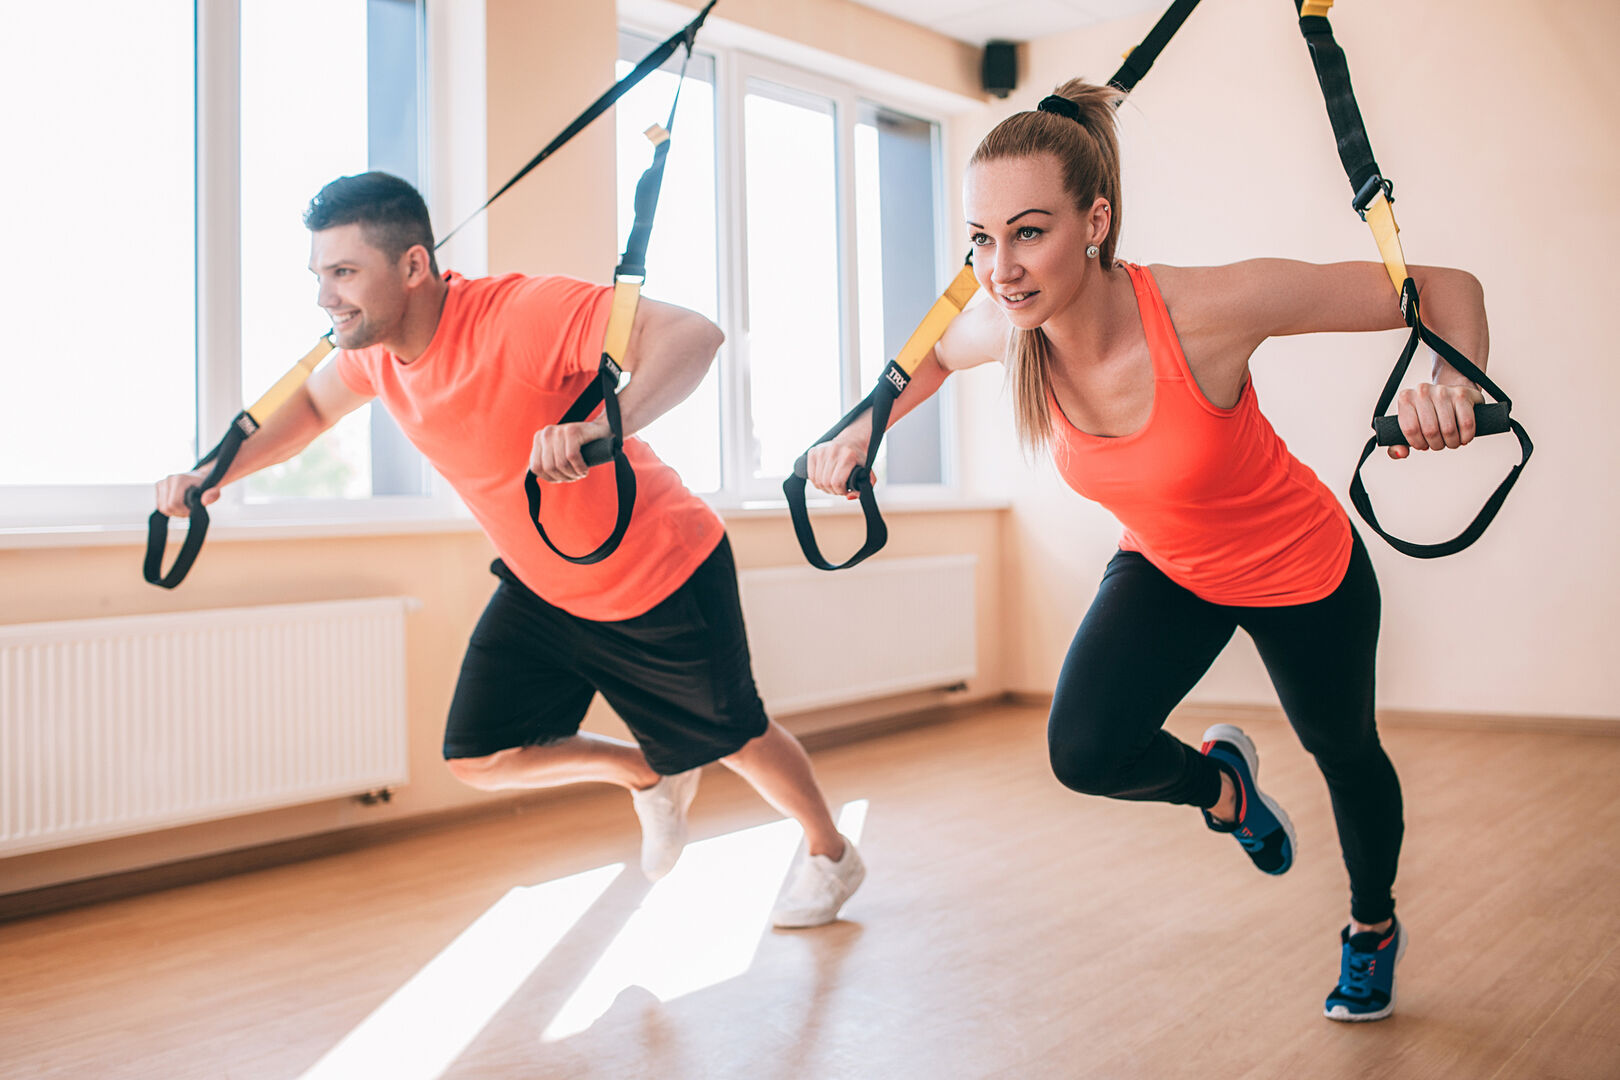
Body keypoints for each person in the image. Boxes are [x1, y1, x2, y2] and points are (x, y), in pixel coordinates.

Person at [806, 80, 1493, 1019]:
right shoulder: (1014, 337)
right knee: (1084, 750)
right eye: (981, 238)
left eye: (1029, 232)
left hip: (1301, 566)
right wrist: (866, 428)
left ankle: (1371, 928)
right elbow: (923, 357)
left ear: (1095, 221)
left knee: (1344, 751)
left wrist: (1452, 378)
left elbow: (1444, 292)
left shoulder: (1207, 308)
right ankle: (1225, 792)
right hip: (1171, 564)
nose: (1001, 267)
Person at [155, 171, 863, 927]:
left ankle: (832, 856)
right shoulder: (376, 352)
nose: (326, 296)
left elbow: (693, 335)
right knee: (479, 756)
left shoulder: (520, 314)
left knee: (738, 738)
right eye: (320, 275)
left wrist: (607, 423)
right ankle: (646, 775)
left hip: (660, 571)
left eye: (344, 273)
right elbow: (310, 406)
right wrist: (212, 472)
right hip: (545, 586)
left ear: (415, 266)